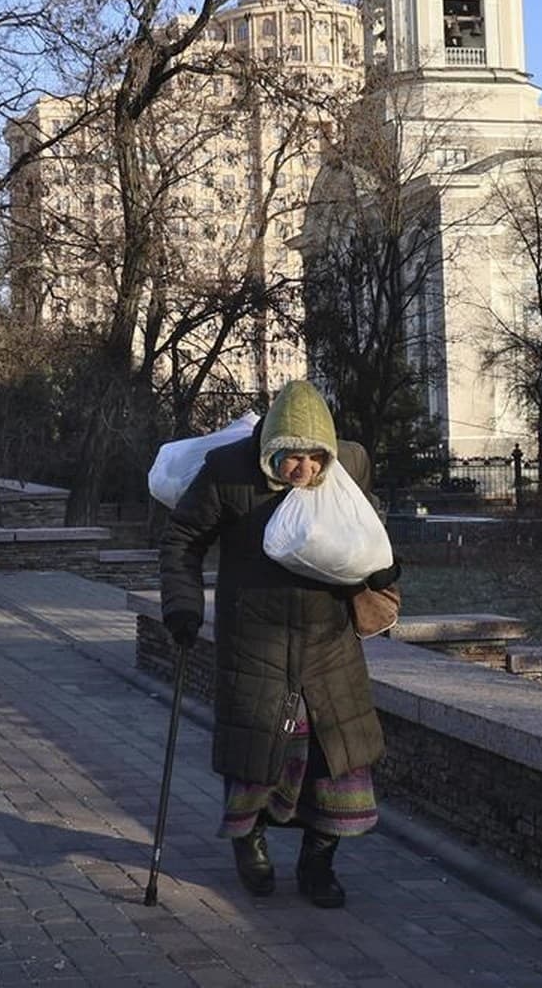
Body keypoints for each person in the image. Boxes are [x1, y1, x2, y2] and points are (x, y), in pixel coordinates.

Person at [158, 379, 400, 907]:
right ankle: (250, 844)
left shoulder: (350, 467)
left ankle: (319, 863)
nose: (305, 470)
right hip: (254, 642)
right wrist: (181, 606)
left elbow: (368, 530)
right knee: (255, 758)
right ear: (270, 448)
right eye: (292, 458)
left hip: (328, 644)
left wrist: (385, 570)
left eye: (316, 458)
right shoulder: (228, 473)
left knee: (333, 761)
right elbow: (183, 541)